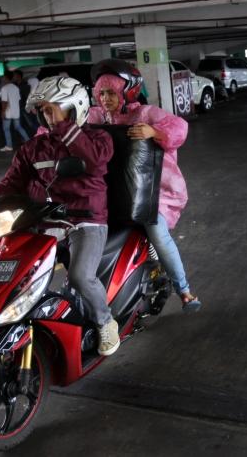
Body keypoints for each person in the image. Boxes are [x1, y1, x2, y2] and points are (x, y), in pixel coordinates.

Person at [0, 76, 121, 355]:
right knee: (13, 262)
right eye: (43, 111)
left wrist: (65, 126)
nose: (46, 117)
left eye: (52, 109)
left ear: (73, 107)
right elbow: (12, 181)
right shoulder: (33, 148)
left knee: (81, 276)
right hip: (45, 219)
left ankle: (106, 322)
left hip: (85, 220)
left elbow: (94, 162)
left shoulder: (98, 138)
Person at [86, 59, 201, 312]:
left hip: (152, 193)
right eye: (101, 93)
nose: (105, 98)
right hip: (110, 192)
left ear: (127, 92)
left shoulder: (146, 113)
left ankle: (184, 290)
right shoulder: (94, 116)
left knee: (158, 235)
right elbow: (68, 129)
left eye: (112, 93)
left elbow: (179, 127)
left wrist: (154, 132)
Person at [0, 70, 30, 152]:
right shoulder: (15, 87)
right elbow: (19, 100)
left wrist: (3, 111)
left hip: (8, 112)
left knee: (6, 128)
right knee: (18, 127)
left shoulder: (4, 88)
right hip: (16, 111)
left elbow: (4, 101)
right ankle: (29, 141)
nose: (2, 79)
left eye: (3, 78)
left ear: (5, 78)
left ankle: (9, 146)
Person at [13, 69, 38, 135]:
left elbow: (28, 97)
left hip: (25, 107)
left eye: (14, 76)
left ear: (18, 76)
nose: (13, 77)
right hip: (18, 108)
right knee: (21, 125)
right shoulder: (14, 85)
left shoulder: (24, 85)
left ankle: (41, 135)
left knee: (32, 124)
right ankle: (26, 139)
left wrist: (32, 108)